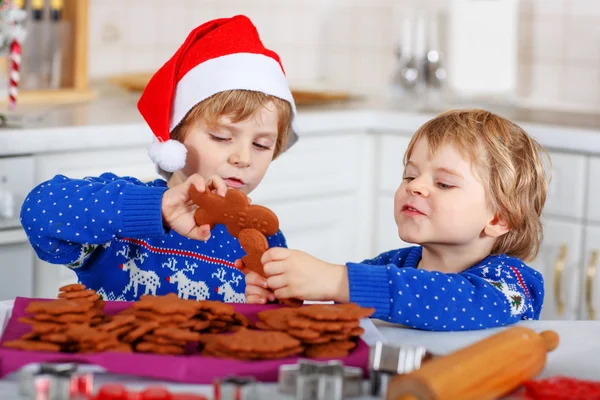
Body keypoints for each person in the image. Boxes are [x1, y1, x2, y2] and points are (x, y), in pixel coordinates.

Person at [20, 15, 298, 303]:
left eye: (262, 144)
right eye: (221, 137)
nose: (243, 158)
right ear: (174, 137)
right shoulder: (124, 220)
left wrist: (265, 308)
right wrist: (157, 209)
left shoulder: (265, 242)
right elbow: (38, 212)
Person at [245, 109, 548, 331]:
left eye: (443, 183)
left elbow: (454, 300)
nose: (414, 186)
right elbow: (339, 313)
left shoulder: (511, 284)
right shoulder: (393, 266)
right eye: (410, 175)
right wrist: (289, 296)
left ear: (499, 217)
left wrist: (336, 280)